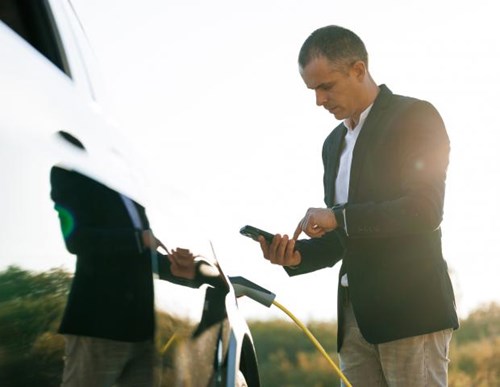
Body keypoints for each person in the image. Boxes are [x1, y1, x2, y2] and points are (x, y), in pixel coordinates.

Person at [257, 25, 459, 386]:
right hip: (353, 321)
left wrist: (337, 217)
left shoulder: (415, 116)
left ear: (359, 70)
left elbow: (425, 210)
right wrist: (296, 256)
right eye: (313, 90)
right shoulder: (332, 144)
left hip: (410, 312)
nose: (319, 100)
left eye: (326, 86)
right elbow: (344, 237)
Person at [50, 131, 202, 387]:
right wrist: (138, 239)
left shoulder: (131, 193)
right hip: (98, 327)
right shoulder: (71, 173)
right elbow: (77, 240)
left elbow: (143, 255)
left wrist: (178, 268)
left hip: (141, 333)